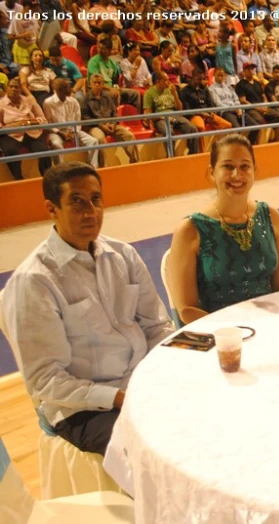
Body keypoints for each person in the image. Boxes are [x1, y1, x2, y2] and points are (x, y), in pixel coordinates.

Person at [2, 162, 174, 454]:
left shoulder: (123, 255)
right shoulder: (35, 281)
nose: (90, 211)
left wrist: (163, 372)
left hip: (141, 382)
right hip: (84, 408)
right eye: (77, 202)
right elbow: (45, 380)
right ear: (51, 209)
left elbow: (157, 326)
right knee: (156, 450)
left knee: (209, 413)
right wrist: (118, 397)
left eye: (96, 199)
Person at [168, 134, 279, 325]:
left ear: (254, 171)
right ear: (211, 172)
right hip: (220, 338)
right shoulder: (191, 230)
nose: (237, 175)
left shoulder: (271, 217)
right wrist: (235, 332)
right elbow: (187, 310)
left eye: (244, 166)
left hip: (268, 328)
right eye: (227, 166)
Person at [0, 77, 51, 180]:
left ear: (20, 89)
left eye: (17, 87)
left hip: (31, 132)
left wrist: (28, 122)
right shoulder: (1, 104)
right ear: (7, 89)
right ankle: (18, 179)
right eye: (11, 87)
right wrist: (14, 125)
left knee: (43, 150)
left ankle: (47, 177)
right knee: (10, 150)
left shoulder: (29, 101)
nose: (14, 89)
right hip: (11, 134)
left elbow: (43, 119)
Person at [43, 79, 100, 169]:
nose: (71, 89)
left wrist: (73, 132)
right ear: (59, 90)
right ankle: (60, 169)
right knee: (56, 145)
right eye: (67, 87)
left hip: (73, 130)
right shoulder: (48, 103)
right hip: (56, 132)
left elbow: (78, 121)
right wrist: (62, 134)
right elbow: (49, 124)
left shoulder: (73, 101)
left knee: (93, 141)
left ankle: (93, 168)